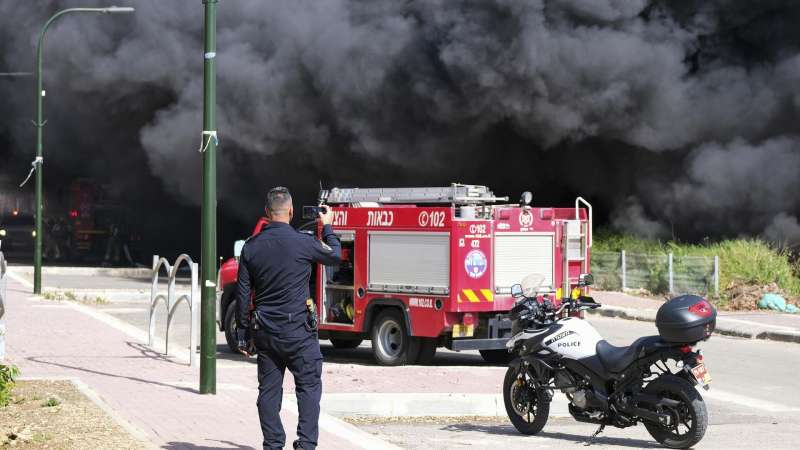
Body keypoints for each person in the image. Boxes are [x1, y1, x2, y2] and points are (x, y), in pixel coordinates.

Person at [235, 186, 341, 450]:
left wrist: (243, 333)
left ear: (266, 213)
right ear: (291, 212)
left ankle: (273, 445)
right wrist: (326, 226)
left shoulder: (251, 247)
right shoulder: (304, 242)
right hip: (300, 334)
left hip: (267, 334)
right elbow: (335, 254)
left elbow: (243, 293)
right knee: (308, 389)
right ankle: (306, 445)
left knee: (268, 393)